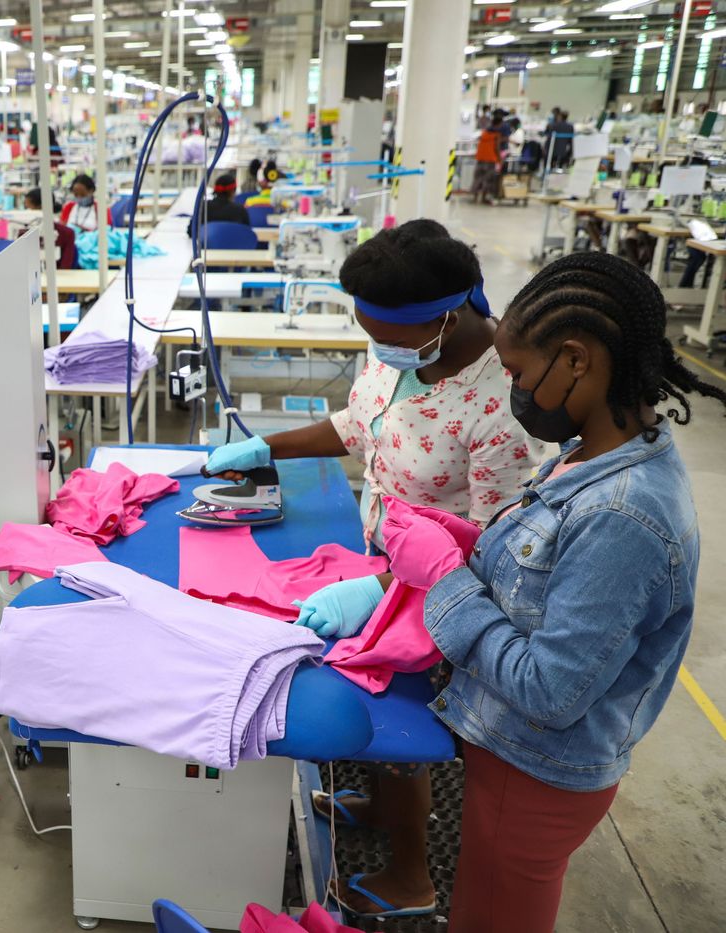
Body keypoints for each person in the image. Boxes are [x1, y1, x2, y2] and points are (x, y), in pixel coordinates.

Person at [206, 220, 539, 919]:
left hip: (438, 588)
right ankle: (380, 811)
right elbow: (357, 426)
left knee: (400, 722)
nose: (376, 346)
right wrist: (265, 448)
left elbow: (492, 540)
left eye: (382, 332)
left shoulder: (499, 405)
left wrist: (382, 588)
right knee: (371, 687)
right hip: (385, 558)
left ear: (443, 318)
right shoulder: (405, 351)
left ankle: (411, 876)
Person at [421, 252, 721, 932]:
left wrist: (447, 585)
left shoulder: (624, 514)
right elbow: (550, 578)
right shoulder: (595, 450)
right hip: (511, 759)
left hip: (534, 771)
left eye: (521, 373)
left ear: (576, 360)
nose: (514, 391)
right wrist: (474, 543)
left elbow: (551, 690)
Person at [24, 188, 77, 270]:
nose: (26, 212)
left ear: (41, 207)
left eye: (29, 208)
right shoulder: (23, 233)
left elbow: (65, 267)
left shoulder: (66, 233)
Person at [189, 172, 252, 237]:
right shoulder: (240, 210)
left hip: (208, 246)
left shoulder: (203, 207)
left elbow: (191, 231)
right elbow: (247, 234)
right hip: (234, 246)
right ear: (233, 191)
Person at [471, 114, 504, 205]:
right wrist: (499, 159)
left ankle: (475, 197)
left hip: (480, 158)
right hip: (490, 159)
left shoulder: (484, 132)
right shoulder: (496, 134)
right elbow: (496, 148)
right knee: (488, 179)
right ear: (499, 124)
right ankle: (484, 198)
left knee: (478, 178)